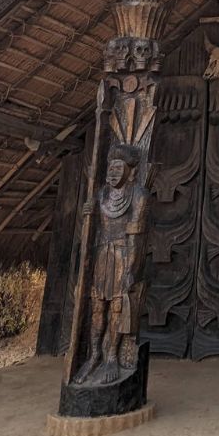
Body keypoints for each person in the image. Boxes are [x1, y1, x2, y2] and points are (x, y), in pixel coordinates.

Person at [75, 143, 148, 385]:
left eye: (119, 167)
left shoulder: (138, 196)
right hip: (101, 255)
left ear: (131, 172)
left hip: (122, 254)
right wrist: (88, 214)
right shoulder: (100, 195)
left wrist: (130, 269)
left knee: (117, 307)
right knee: (97, 307)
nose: (114, 172)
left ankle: (112, 356)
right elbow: (92, 231)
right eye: (111, 167)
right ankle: (94, 353)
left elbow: (135, 235)